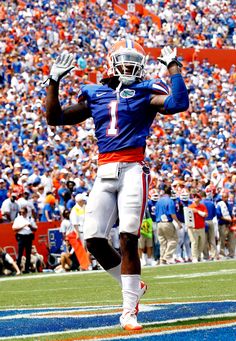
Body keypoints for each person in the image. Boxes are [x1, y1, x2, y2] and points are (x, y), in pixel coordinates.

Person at [46, 39, 189, 330]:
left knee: (128, 237)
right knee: (94, 239)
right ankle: (135, 288)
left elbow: (178, 103)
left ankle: (128, 311)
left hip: (134, 167)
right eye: (124, 60)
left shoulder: (145, 91)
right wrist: (53, 81)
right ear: (112, 63)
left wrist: (174, 68)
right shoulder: (95, 93)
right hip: (104, 168)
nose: (129, 66)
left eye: (133, 60)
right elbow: (55, 117)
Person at [155, 185, 182, 264]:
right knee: (173, 240)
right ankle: (166, 257)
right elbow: (172, 214)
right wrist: (178, 223)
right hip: (167, 222)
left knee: (163, 242)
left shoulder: (158, 201)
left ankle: (161, 258)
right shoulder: (170, 201)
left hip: (159, 223)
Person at [12, 207, 38, 273]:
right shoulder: (18, 219)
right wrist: (23, 226)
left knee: (28, 254)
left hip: (28, 236)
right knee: (20, 253)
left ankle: (27, 269)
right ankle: (18, 269)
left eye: (23, 212)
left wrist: (30, 226)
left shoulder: (30, 219)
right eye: (21, 212)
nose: (22, 214)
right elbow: (14, 229)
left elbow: (35, 229)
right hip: (21, 237)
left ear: (26, 212)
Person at [187, 193, 208, 263]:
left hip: (201, 227)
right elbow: (187, 217)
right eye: (194, 197)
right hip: (193, 228)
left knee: (202, 243)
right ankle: (194, 257)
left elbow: (205, 214)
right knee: (194, 242)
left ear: (200, 199)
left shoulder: (202, 206)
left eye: (197, 197)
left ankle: (199, 256)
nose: (195, 198)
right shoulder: (190, 207)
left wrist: (197, 211)